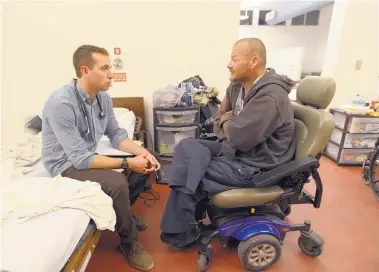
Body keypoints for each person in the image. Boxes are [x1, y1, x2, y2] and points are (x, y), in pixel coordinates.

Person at [160, 38, 297, 248]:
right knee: (187, 146)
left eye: (234, 58)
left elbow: (239, 138)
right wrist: (229, 121)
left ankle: (179, 231)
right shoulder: (237, 86)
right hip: (236, 151)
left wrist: (229, 123)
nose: (228, 64)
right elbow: (219, 118)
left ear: (254, 61)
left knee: (193, 170)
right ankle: (186, 219)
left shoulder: (271, 96)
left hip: (256, 165)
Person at [41, 45, 160, 271]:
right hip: (65, 163)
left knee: (148, 158)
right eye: (104, 68)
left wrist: (142, 153)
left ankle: (125, 212)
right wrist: (127, 163)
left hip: (86, 155)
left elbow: (116, 135)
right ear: (85, 70)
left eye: (110, 67)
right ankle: (128, 241)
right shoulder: (61, 103)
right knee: (117, 183)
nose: (110, 74)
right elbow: (80, 159)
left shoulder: (102, 98)